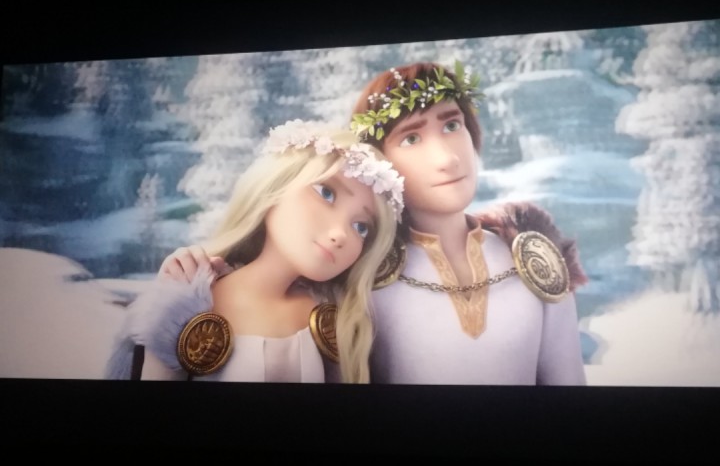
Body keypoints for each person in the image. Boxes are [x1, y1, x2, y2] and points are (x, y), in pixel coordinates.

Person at [159, 61, 587, 385]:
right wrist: (189, 285)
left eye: (452, 124)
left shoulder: (536, 263)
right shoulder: (357, 277)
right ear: (378, 164)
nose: (447, 158)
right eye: (412, 137)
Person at [106, 121, 403, 384]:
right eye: (326, 193)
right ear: (277, 186)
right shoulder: (188, 306)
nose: (341, 234)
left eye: (361, 227)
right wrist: (168, 303)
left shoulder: (331, 313)